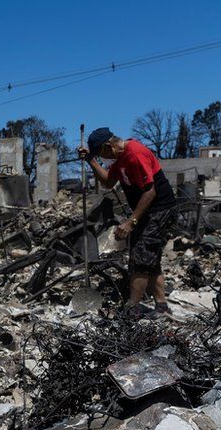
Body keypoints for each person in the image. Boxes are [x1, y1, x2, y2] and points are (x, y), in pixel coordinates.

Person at [78, 128, 178, 317]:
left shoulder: (135, 153)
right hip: (148, 212)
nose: (103, 159)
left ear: (109, 146)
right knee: (149, 258)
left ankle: (132, 308)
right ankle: (162, 305)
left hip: (160, 209)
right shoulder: (120, 159)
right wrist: (90, 161)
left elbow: (150, 191)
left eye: (101, 154)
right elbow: (108, 182)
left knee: (141, 256)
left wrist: (131, 221)